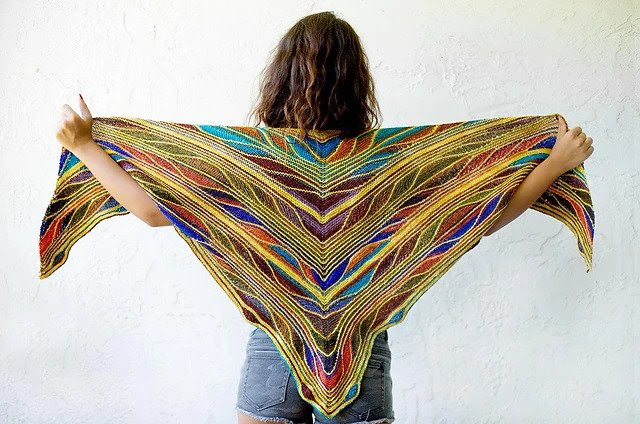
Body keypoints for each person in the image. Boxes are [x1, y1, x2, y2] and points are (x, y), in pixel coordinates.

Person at [54, 10, 594, 424]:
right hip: (364, 357)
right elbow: (485, 217)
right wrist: (553, 164)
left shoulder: (246, 159)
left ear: (280, 78)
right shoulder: (396, 162)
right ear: (358, 82)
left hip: (274, 352)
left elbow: (153, 212)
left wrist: (86, 148)